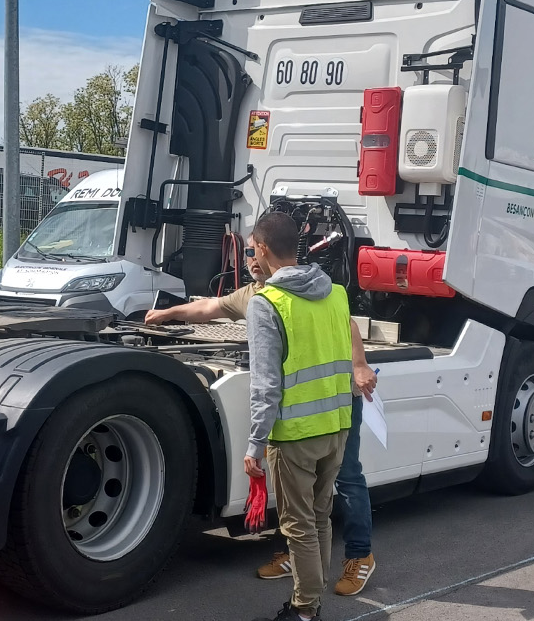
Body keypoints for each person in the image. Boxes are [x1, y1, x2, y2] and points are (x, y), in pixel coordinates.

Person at [145, 241, 377, 599]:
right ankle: (300, 566)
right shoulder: (256, 294)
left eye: (253, 251)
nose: (248, 258)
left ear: (267, 252)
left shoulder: (313, 290)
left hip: (336, 402)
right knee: (303, 505)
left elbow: (345, 326)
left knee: (344, 480)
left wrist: (359, 365)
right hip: (310, 411)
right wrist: (167, 313)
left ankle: (357, 558)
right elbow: (209, 307)